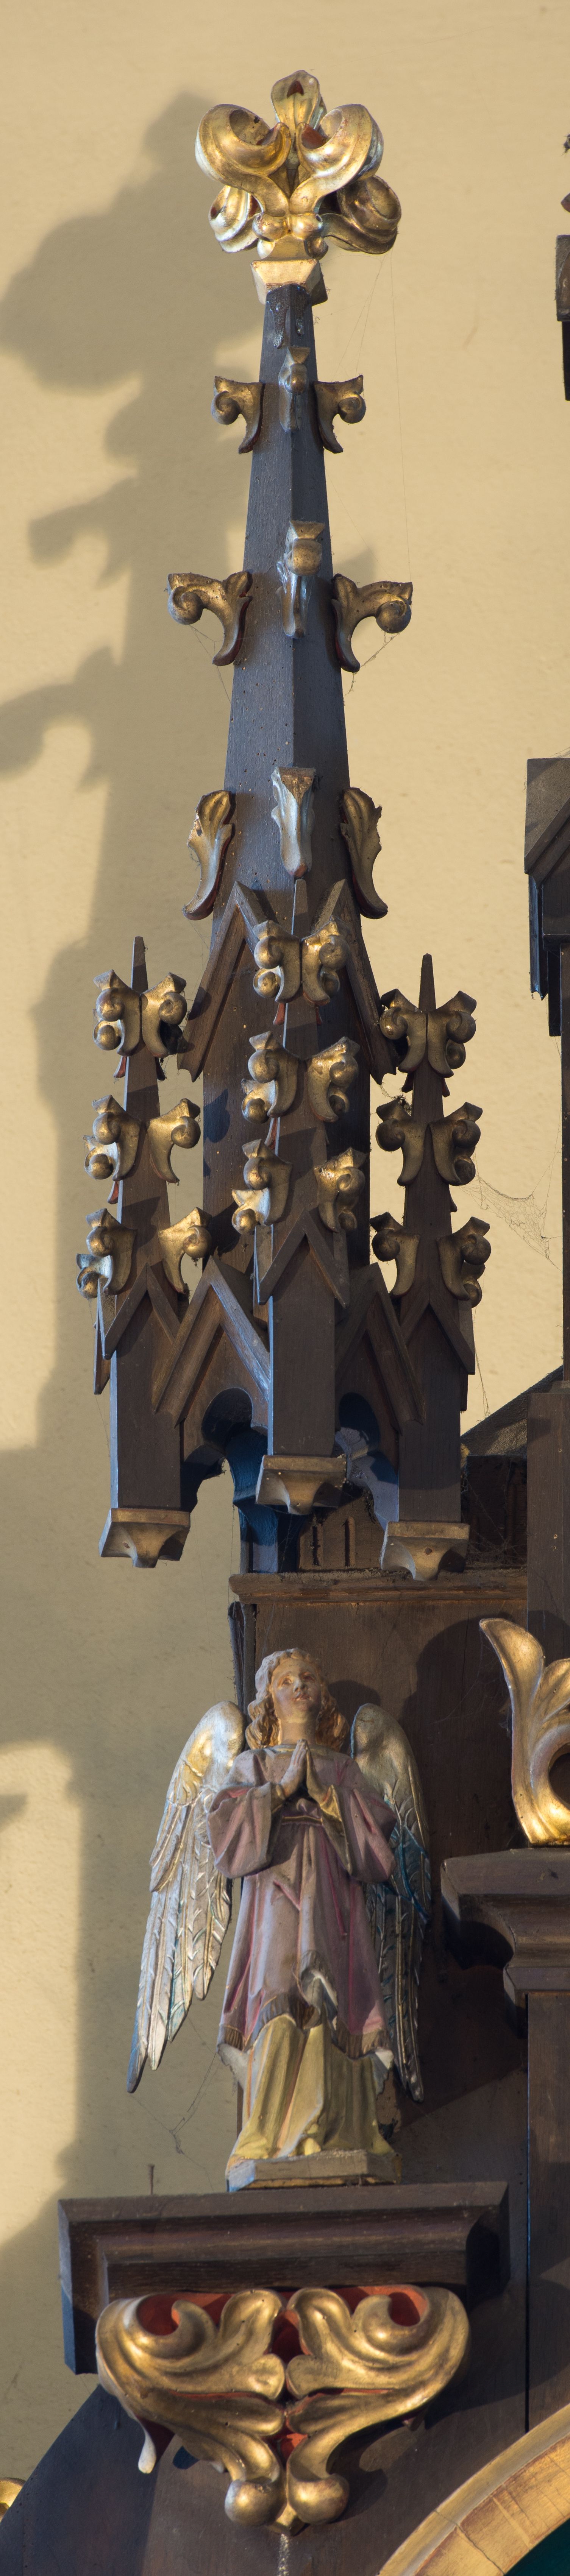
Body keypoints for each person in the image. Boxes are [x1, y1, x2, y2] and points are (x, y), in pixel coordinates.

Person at [207, 1646, 397, 2177]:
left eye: (308, 1677)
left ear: (322, 1695)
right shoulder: (252, 1765)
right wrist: (280, 1792)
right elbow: (224, 1839)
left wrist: (326, 1798)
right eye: (285, 1680)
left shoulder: (343, 1769)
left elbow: (378, 1847)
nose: (297, 1686)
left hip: (333, 1900)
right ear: (268, 1698)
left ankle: (337, 2129)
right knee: (276, 1992)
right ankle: (269, 2134)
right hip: (274, 1897)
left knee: (331, 1993)